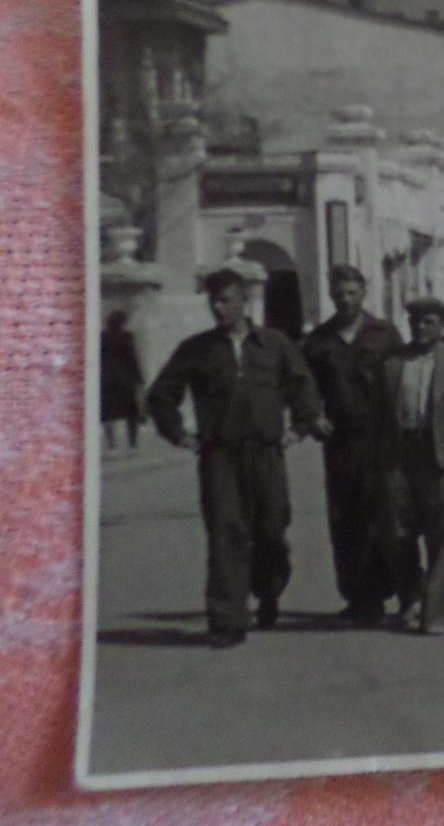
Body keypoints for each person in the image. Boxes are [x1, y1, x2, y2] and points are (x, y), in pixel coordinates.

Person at [145, 269, 321, 649]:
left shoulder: (274, 344)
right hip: (220, 455)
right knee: (226, 535)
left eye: (225, 300)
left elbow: (302, 386)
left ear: (244, 300)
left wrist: (301, 426)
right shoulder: (197, 349)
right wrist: (179, 434)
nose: (218, 308)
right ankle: (227, 620)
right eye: (213, 301)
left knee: (271, 530)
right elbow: (161, 395)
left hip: (266, 453)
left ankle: (269, 589)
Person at [372, 297, 444, 635]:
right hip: (400, 455)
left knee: (441, 533)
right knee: (397, 532)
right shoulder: (392, 363)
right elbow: (379, 417)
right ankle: (410, 596)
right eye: (416, 321)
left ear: (443, 326)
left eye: (429, 322)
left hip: (441, 458)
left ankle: (434, 614)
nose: (421, 328)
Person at [301, 265, 404, 623]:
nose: (345, 300)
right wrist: (312, 416)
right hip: (340, 439)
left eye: (351, 293)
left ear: (364, 293)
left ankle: (394, 590)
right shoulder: (319, 340)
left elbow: (402, 379)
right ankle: (360, 596)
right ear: (331, 295)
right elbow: (304, 386)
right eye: (339, 294)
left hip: (380, 438)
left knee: (385, 517)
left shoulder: (385, 334)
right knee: (346, 519)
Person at [100, 310, 144, 451]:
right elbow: (132, 359)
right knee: (131, 413)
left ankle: (111, 445)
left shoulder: (102, 336)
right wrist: (140, 380)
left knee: (108, 414)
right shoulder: (127, 336)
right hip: (126, 380)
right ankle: (133, 443)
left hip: (106, 380)